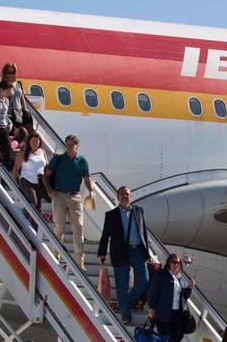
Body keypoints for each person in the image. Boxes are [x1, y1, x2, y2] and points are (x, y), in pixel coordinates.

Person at [97, 186, 151, 325]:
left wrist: (147, 252)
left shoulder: (139, 211)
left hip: (138, 251)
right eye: (122, 194)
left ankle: (125, 301)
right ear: (117, 197)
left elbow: (143, 232)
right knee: (122, 286)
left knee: (144, 281)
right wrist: (102, 252)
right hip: (120, 253)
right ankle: (126, 316)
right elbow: (105, 235)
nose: (124, 196)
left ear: (130, 196)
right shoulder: (111, 215)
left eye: (127, 194)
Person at [43, 135, 94, 270]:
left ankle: (79, 260)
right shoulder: (59, 158)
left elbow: (87, 178)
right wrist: (49, 190)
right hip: (59, 194)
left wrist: (91, 191)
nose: (69, 147)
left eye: (72, 145)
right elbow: (45, 175)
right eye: (67, 145)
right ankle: (56, 252)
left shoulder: (82, 161)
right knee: (59, 225)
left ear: (77, 146)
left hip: (75, 196)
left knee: (78, 227)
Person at [147, 253, 195, 342]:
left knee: (178, 335)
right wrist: (151, 307)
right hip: (163, 313)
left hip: (176, 314)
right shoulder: (161, 276)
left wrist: (189, 288)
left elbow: (183, 297)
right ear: (168, 263)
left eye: (178, 263)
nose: (176, 265)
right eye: (173, 262)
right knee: (167, 341)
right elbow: (153, 292)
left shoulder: (179, 278)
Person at [12, 131, 47, 212]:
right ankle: (22, 219)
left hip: (39, 182)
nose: (35, 143)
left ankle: (29, 220)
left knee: (38, 208)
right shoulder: (23, 152)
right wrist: (14, 183)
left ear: (39, 142)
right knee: (32, 204)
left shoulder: (42, 151)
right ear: (29, 142)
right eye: (33, 141)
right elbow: (16, 168)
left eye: (37, 141)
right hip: (26, 181)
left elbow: (47, 167)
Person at [1, 62, 30, 130]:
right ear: (5, 74)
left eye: (13, 72)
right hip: (8, 115)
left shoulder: (18, 84)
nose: (11, 74)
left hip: (18, 115)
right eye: (9, 72)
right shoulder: (2, 85)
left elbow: (22, 99)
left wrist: (25, 112)